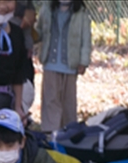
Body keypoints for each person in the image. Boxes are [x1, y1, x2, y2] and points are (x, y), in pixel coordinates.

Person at [35, 0, 91, 135]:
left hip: (70, 65)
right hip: (50, 64)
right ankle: (50, 132)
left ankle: (68, 133)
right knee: (50, 101)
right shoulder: (47, 10)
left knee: (68, 103)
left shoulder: (81, 14)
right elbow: (39, 31)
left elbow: (86, 40)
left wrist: (83, 61)